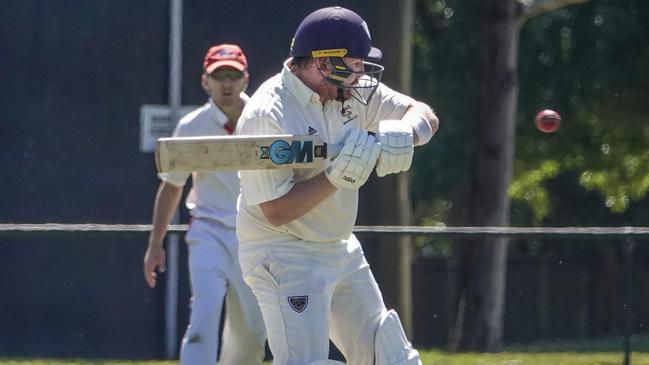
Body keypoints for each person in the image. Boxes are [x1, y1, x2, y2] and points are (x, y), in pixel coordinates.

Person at [235, 6, 439, 365]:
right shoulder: (270, 113)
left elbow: (424, 114)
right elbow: (275, 211)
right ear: (324, 63)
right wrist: (334, 178)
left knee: (393, 360)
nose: (362, 76)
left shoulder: (350, 90)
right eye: (356, 65)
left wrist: (404, 133)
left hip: (340, 246)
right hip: (283, 252)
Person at [143, 43, 266, 365]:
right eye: (219, 76)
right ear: (205, 82)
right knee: (203, 318)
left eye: (233, 75)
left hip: (254, 236)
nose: (226, 84)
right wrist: (155, 244)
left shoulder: (266, 119)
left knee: (253, 333)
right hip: (208, 232)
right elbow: (171, 187)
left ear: (246, 80)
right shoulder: (190, 126)